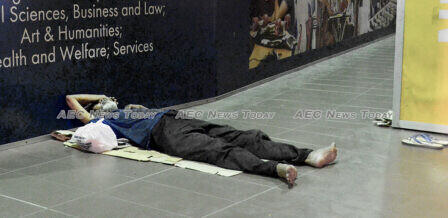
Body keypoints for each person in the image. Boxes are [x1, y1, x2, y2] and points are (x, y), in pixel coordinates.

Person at [66, 94, 338, 186]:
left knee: (242, 136)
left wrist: (108, 100)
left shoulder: (131, 108)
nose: (108, 102)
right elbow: (72, 99)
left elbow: (108, 98)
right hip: (162, 136)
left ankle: (307, 155)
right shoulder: (100, 122)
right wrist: (98, 103)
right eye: (102, 104)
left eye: (109, 101)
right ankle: (275, 169)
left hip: (175, 120)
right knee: (221, 151)